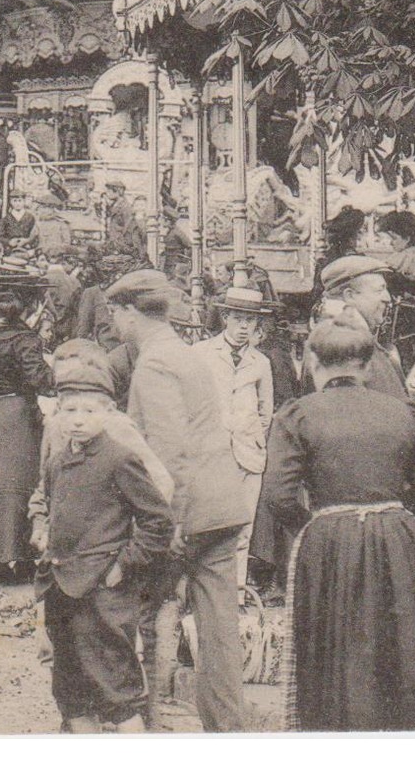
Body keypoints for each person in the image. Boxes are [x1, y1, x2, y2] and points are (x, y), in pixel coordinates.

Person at [262, 321, 415, 731]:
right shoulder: (406, 413)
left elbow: (278, 497)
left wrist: (317, 526)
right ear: (367, 367)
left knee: (337, 647)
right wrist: (395, 513)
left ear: (313, 363)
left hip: (330, 541)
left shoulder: (296, 415)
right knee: (405, 647)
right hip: (400, 538)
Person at [105, 269, 250, 732]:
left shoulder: (153, 364)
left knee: (138, 620)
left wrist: (171, 527)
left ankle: (140, 725)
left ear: (130, 313)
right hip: (222, 506)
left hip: (184, 514)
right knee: (219, 632)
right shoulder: (186, 356)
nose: (113, 321)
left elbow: (169, 454)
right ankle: (227, 730)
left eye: (115, 312)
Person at [31, 347, 174, 733]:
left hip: (103, 594)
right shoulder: (58, 460)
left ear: (109, 412)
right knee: (71, 690)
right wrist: (44, 531)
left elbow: (158, 521)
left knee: (116, 687)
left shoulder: (119, 458)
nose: (77, 421)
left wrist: (122, 565)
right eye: (69, 410)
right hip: (61, 589)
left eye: (89, 411)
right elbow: (48, 503)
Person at [0, 259, 55, 582]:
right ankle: (13, 557)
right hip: (19, 414)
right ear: (30, 304)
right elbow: (40, 380)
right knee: (17, 482)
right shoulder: (26, 340)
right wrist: (55, 372)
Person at [193, 287, 275, 593]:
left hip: (247, 454)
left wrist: (252, 437)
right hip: (211, 454)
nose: (244, 327)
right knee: (209, 524)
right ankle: (205, 589)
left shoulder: (260, 362)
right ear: (225, 317)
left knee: (244, 525)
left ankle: (236, 591)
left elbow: (266, 411)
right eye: (238, 319)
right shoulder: (201, 353)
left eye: (250, 321)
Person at [314, 255, 409, 398]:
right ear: (350, 296)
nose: (388, 298)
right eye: (379, 290)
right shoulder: (347, 345)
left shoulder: (330, 337)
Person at [101, 181, 144, 255]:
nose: (107, 193)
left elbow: (128, 227)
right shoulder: (115, 205)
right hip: (113, 242)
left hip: (121, 245)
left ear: (117, 191)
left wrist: (121, 244)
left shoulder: (125, 207)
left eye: (109, 190)